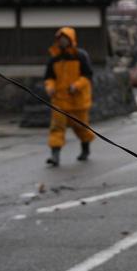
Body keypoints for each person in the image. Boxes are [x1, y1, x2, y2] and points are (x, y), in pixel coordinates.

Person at [43, 26, 95, 166]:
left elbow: (87, 75)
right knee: (56, 128)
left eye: (65, 39)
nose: (63, 42)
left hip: (78, 100)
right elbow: (49, 78)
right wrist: (50, 87)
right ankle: (55, 156)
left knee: (82, 128)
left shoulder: (80, 56)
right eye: (60, 39)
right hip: (59, 100)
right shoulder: (54, 58)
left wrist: (76, 86)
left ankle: (85, 149)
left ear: (71, 39)